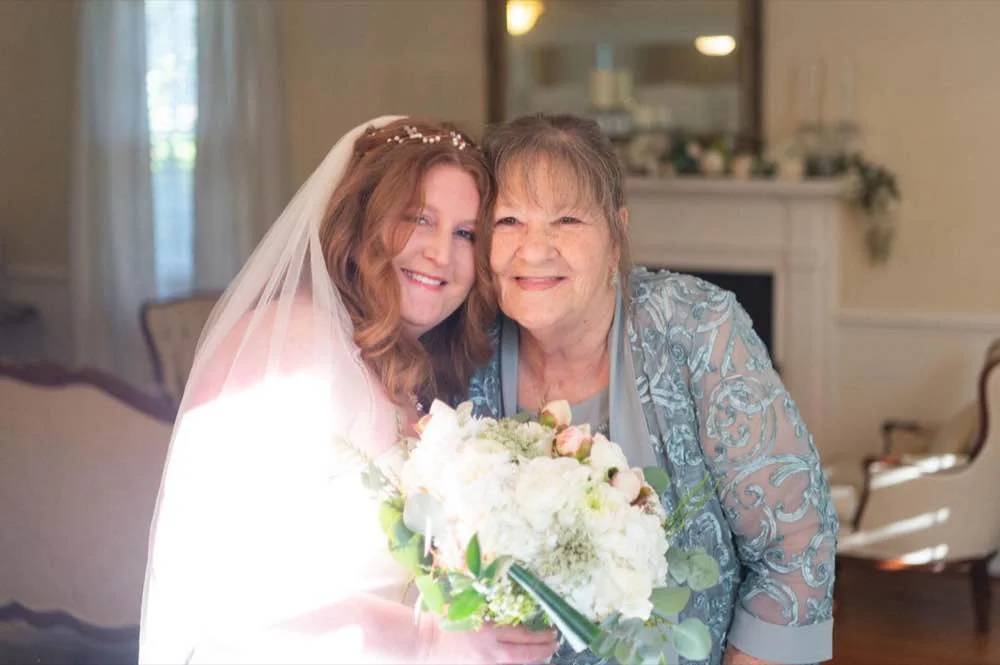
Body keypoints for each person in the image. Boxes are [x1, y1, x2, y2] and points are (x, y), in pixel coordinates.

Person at [138, 116, 558, 664]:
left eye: (464, 234)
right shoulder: (296, 347)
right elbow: (226, 591)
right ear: (361, 225)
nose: (440, 254)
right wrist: (427, 638)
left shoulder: (412, 381)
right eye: (418, 220)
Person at [468, 113, 838, 665]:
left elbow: (796, 544)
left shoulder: (697, 326)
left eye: (566, 219)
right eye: (509, 221)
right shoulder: (465, 351)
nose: (535, 248)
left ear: (617, 235)